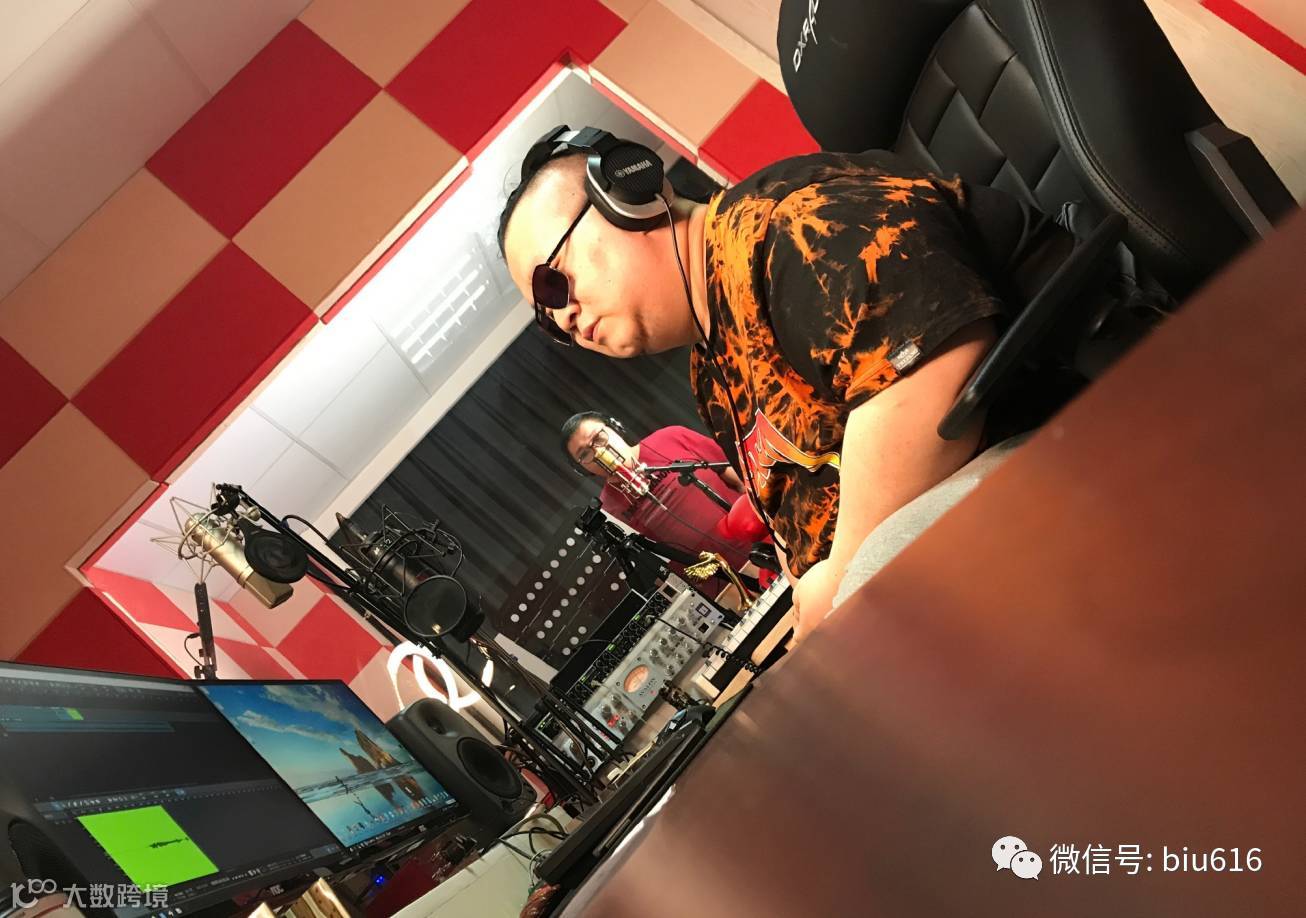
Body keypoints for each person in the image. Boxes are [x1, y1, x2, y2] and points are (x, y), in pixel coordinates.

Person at [501, 130, 1072, 643]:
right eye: (546, 320)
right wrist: (806, 601)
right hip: (929, 568)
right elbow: (786, 510)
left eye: (553, 283)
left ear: (627, 193)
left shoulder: (790, 225)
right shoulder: (710, 371)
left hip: (1051, 473)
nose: (564, 317)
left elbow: (931, 370)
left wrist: (841, 575)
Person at [560, 411, 758, 579]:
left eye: (598, 438)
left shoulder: (671, 437)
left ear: (615, 427)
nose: (598, 452)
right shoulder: (608, 513)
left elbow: (741, 480)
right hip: (718, 583)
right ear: (583, 470)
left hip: (759, 546)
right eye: (584, 454)